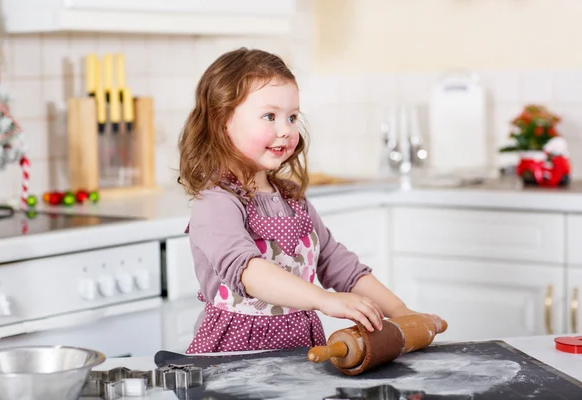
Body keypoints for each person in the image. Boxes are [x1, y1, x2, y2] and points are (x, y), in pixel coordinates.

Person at [178, 48, 438, 354]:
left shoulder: (291, 199)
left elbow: (338, 264)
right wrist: (324, 299)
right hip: (236, 357)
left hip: (299, 350)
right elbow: (247, 271)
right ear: (223, 120)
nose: (286, 130)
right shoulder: (217, 201)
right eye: (270, 116)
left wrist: (399, 310)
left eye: (292, 117)